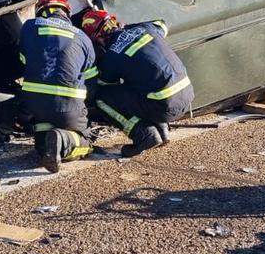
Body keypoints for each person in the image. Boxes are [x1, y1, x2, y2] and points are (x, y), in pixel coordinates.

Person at [78, 9, 193, 157]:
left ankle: (145, 135)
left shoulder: (111, 57)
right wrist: (132, 31)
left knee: (102, 98)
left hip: (163, 106)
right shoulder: (143, 29)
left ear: (97, 39)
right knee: (140, 82)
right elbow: (162, 25)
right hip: (187, 95)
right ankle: (162, 129)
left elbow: (105, 84)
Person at [18, 0, 99, 173]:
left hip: (35, 105)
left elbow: (23, 59)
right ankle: (64, 140)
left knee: (43, 149)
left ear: (40, 11)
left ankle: (47, 142)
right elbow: (91, 79)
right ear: (66, 11)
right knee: (86, 141)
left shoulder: (29, 27)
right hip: (68, 106)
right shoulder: (82, 37)